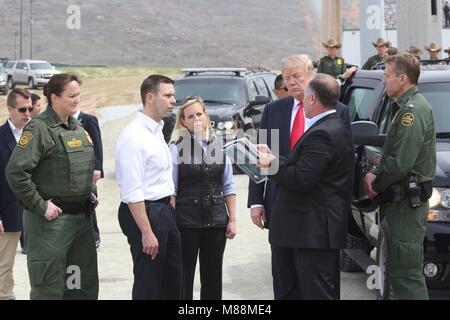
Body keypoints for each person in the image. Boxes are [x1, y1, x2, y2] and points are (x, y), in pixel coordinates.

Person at [247, 54, 351, 300]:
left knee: (316, 286)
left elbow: (342, 165)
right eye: (286, 77)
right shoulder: (275, 110)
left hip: (315, 219)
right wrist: (257, 201)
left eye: (297, 76)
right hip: (281, 209)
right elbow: (263, 154)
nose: (291, 82)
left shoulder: (336, 112)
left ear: (312, 76)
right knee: (284, 282)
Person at [5, 74, 99, 300]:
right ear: (54, 98)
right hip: (51, 227)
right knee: (49, 290)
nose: (77, 100)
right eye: (72, 95)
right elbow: (16, 172)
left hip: (81, 223)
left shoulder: (77, 127)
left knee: (80, 288)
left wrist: (90, 192)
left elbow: (82, 168)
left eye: (79, 95)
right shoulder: (39, 129)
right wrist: (40, 205)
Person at [364, 53, 436, 300]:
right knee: (400, 272)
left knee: (407, 277)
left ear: (402, 78)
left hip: (406, 205)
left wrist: (376, 183)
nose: (384, 81)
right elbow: (391, 155)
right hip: (399, 203)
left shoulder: (412, 112)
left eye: (387, 76)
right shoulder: (404, 108)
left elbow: (400, 163)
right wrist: (376, 171)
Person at [115, 74, 182, 300]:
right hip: (146, 214)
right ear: (150, 97)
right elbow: (132, 190)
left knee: (171, 281)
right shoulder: (134, 136)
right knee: (150, 284)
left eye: (173, 95)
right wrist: (146, 231)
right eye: (168, 95)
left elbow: (163, 177)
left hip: (163, 212)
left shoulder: (156, 130)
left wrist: (170, 207)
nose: (173, 100)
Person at [169, 96, 237, 300]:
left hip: (216, 222)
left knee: (213, 278)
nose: (196, 118)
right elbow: (171, 189)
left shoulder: (220, 147)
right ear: (183, 121)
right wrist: (172, 223)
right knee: (184, 278)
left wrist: (232, 219)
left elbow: (228, 185)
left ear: (206, 116)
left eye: (199, 114)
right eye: (190, 116)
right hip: (185, 223)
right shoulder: (175, 148)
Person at [0, 88, 31, 300]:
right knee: (4, 266)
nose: (27, 113)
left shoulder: (36, 134)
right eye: (22, 109)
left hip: (36, 212)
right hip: (8, 212)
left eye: (30, 108)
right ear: (10, 109)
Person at [74, 106, 103, 248]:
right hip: (74, 172)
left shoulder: (88, 120)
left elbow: (97, 145)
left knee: (90, 202)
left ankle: (95, 235)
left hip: (89, 170)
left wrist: (98, 167)